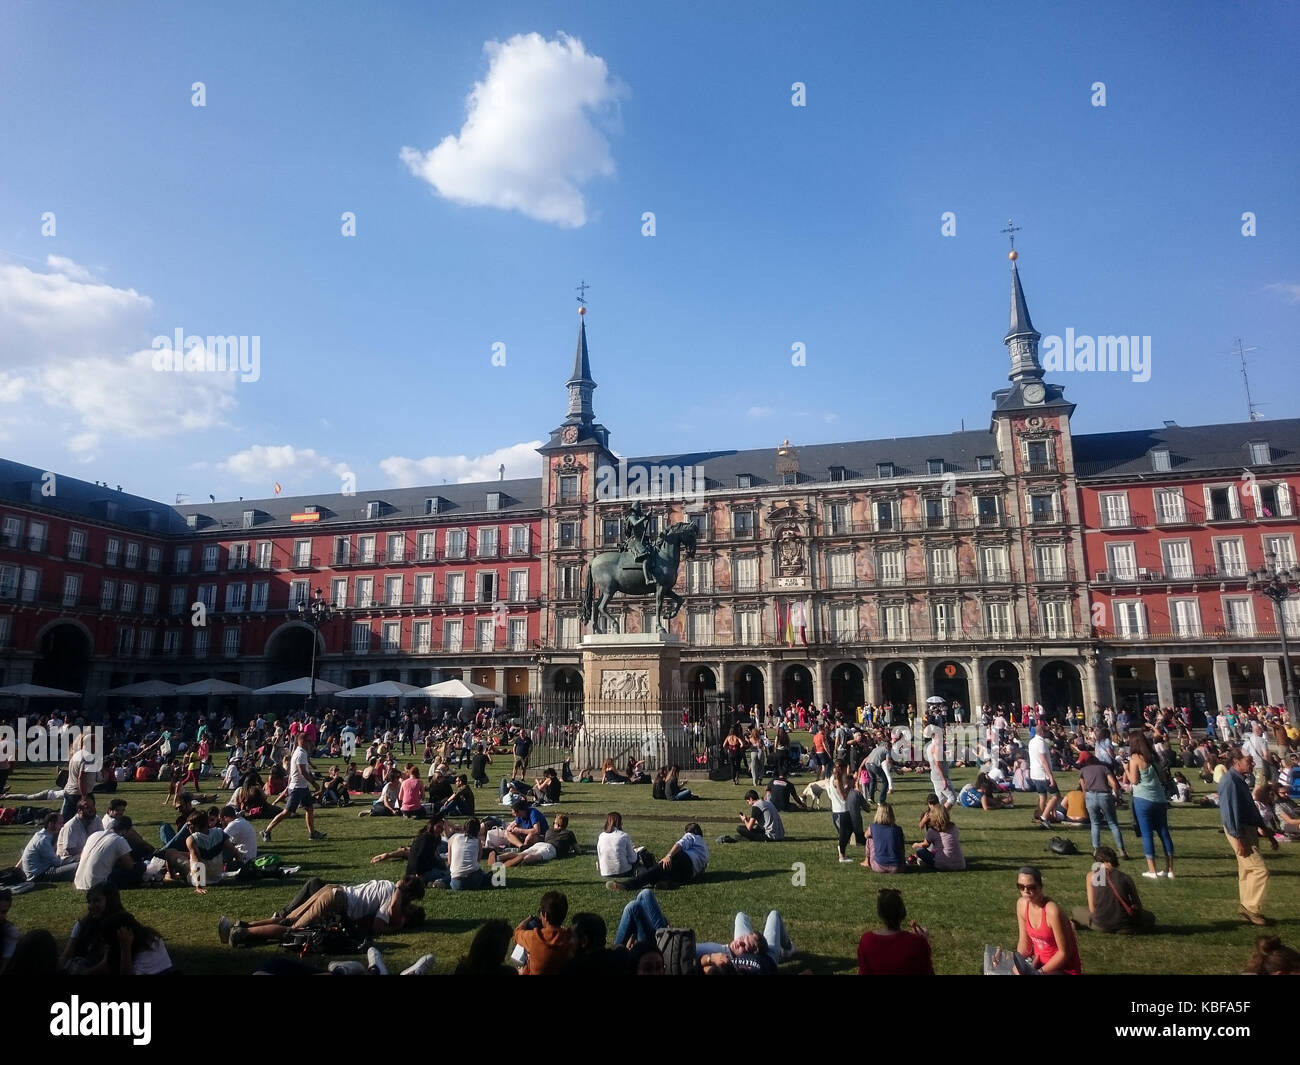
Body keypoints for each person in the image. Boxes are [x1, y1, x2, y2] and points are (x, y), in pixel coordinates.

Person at [222, 875, 425, 946]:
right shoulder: (392, 896)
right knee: (293, 929)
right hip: (337, 900)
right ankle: (242, 934)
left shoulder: (388, 885)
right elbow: (378, 925)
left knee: (288, 918)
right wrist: (397, 928)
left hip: (334, 889)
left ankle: (244, 925)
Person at [1219, 747, 1274, 926]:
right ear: (1236, 762)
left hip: (1247, 829)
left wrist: (1263, 828)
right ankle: (1251, 908)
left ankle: (1246, 906)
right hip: (1239, 831)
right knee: (1259, 870)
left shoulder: (1239, 780)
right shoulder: (1230, 781)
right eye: (1248, 760)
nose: (1252, 763)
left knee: (1247, 871)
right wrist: (1237, 839)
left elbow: (1250, 807)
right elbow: (1228, 813)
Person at [1013, 866, 1081, 974]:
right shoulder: (1021, 905)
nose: (1026, 891)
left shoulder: (1052, 911)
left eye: (1032, 887)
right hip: (1038, 964)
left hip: (1061, 969)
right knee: (990, 968)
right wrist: (1016, 964)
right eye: (1021, 887)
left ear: (1040, 887)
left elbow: (1064, 953)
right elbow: (1024, 944)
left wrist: (1039, 972)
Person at [1070, 847, 1154, 934]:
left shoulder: (1091, 876)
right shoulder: (1126, 877)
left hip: (1101, 925)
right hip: (1126, 926)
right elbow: (1138, 905)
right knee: (1150, 916)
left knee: (1077, 910)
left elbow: (1092, 909)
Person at [1126, 730, 1174, 879]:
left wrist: (1126, 770)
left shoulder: (1134, 759)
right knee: (1163, 832)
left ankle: (1152, 870)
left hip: (1143, 798)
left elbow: (1133, 781)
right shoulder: (1153, 757)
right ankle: (1170, 868)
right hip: (1159, 798)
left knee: (1147, 834)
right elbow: (1162, 777)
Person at [261, 734, 325, 842]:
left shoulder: (300, 752)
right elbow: (302, 771)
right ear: (303, 741)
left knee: (309, 809)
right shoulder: (300, 753)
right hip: (297, 788)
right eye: (309, 741)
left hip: (302, 787)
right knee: (287, 813)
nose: (311, 743)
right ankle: (266, 831)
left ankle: (313, 833)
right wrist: (314, 783)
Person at [607, 823, 708, 891]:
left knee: (656, 870)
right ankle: (667, 883)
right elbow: (702, 869)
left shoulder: (692, 836)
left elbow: (680, 844)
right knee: (661, 873)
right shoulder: (705, 849)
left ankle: (627, 885)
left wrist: (668, 856)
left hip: (685, 860)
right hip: (688, 875)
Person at [857, 888, 934, 975]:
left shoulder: (867, 941)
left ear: (880, 913)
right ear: (903, 912)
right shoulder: (916, 943)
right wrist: (924, 942)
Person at [513, 891, 574, 975]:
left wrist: (528, 918)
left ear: (545, 915)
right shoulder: (570, 939)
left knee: (531, 924)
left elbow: (517, 933)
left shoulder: (535, 937)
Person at [1079, 750, 1128, 856]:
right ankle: (1121, 850)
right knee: (1113, 824)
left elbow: (1083, 788)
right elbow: (1114, 784)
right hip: (1104, 795)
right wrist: (1117, 797)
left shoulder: (1083, 770)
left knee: (1095, 823)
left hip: (1090, 796)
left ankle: (1096, 849)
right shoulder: (1104, 768)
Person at [74, 818, 142, 890]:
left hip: (78, 882)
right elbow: (129, 866)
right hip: (98, 883)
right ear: (125, 831)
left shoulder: (94, 835)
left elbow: (82, 855)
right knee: (140, 868)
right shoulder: (119, 840)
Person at [501, 813, 579, 868]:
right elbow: (578, 850)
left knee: (520, 853)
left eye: (554, 823)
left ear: (557, 824)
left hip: (540, 844)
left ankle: (499, 857)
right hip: (551, 848)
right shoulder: (569, 833)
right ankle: (522, 861)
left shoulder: (549, 831)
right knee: (536, 856)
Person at [19, 812, 78, 882]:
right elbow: (57, 863)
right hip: (39, 875)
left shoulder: (43, 835)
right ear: (50, 824)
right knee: (77, 866)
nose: (62, 826)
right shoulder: (43, 840)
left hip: (44, 869)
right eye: (59, 823)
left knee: (77, 858)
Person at [912, 802, 966, 871]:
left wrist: (916, 844)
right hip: (960, 864)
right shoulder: (954, 827)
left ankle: (927, 863)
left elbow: (924, 845)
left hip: (941, 864)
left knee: (919, 850)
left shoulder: (932, 831)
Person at [1028, 723, 1060, 827]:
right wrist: (1050, 776)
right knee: (1055, 796)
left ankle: (1039, 815)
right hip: (1043, 773)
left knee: (1042, 796)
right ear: (1042, 732)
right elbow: (1043, 760)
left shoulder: (1031, 742)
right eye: (1045, 731)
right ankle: (1044, 817)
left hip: (1034, 773)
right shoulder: (1041, 743)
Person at [448, 817, 487, 890]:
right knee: (481, 873)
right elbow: (477, 861)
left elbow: (450, 862)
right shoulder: (478, 842)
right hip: (473, 881)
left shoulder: (453, 838)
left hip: (455, 882)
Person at [864, 802, 905, 873]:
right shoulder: (898, 829)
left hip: (879, 866)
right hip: (897, 867)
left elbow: (866, 835)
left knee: (870, 838)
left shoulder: (873, 827)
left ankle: (866, 861)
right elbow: (902, 848)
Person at [596, 812, 638, 878]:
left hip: (605, 872)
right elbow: (633, 859)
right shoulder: (624, 836)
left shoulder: (601, 836)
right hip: (623, 871)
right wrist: (634, 851)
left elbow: (600, 855)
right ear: (620, 822)